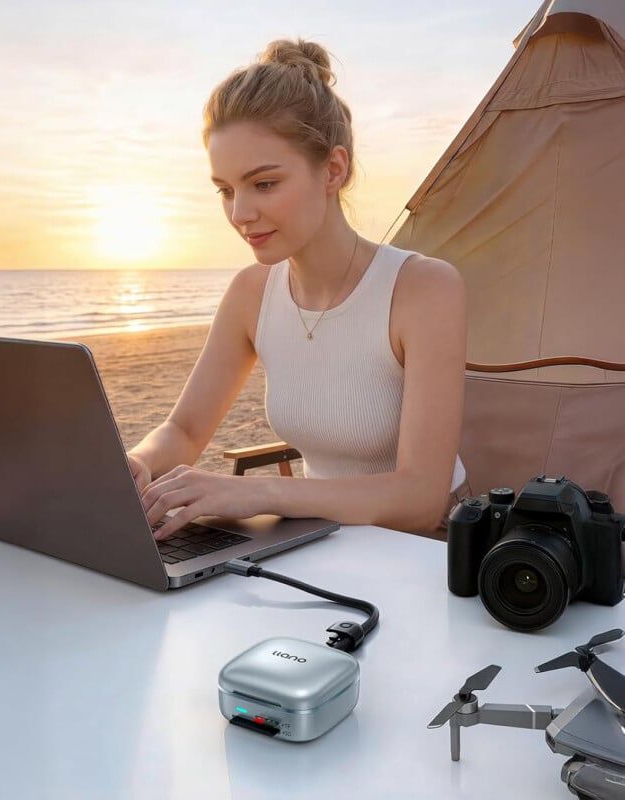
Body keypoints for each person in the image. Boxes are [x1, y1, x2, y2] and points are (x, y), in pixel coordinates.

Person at [127, 38, 468, 540]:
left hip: (427, 551)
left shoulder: (424, 289)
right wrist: (137, 462)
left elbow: (420, 498)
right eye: (226, 189)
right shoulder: (251, 293)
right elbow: (185, 431)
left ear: (333, 169)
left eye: (263, 184)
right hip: (320, 544)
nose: (239, 213)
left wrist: (257, 493)